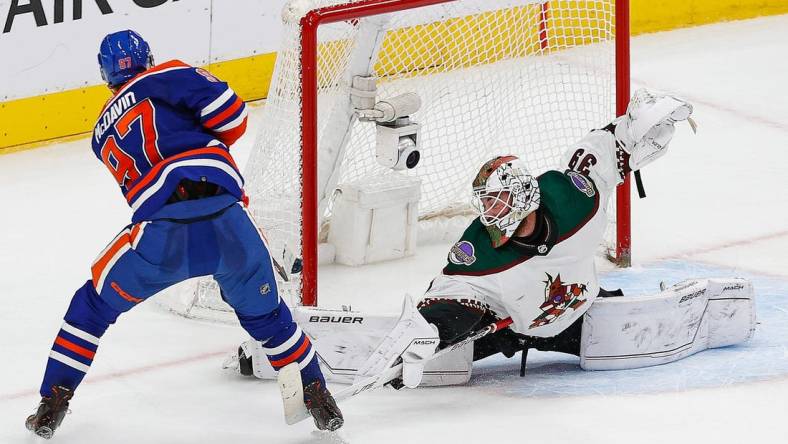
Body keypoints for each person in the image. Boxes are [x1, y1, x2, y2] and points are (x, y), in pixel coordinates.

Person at [229, 89, 753, 391]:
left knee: (607, 326)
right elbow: (445, 294)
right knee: (450, 330)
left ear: (526, 197)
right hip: (505, 327)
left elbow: (605, 149)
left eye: (500, 204)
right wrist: (423, 339)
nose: (490, 215)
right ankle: (263, 353)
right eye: (486, 206)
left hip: (572, 316)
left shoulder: (573, 198)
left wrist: (637, 127)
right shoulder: (477, 248)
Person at [24, 30, 342, 439]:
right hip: (228, 223)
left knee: (91, 307)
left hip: (162, 236)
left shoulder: (100, 133)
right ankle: (316, 394)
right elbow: (233, 118)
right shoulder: (166, 75)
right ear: (148, 58)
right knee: (268, 317)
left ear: (105, 74)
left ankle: (53, 401)